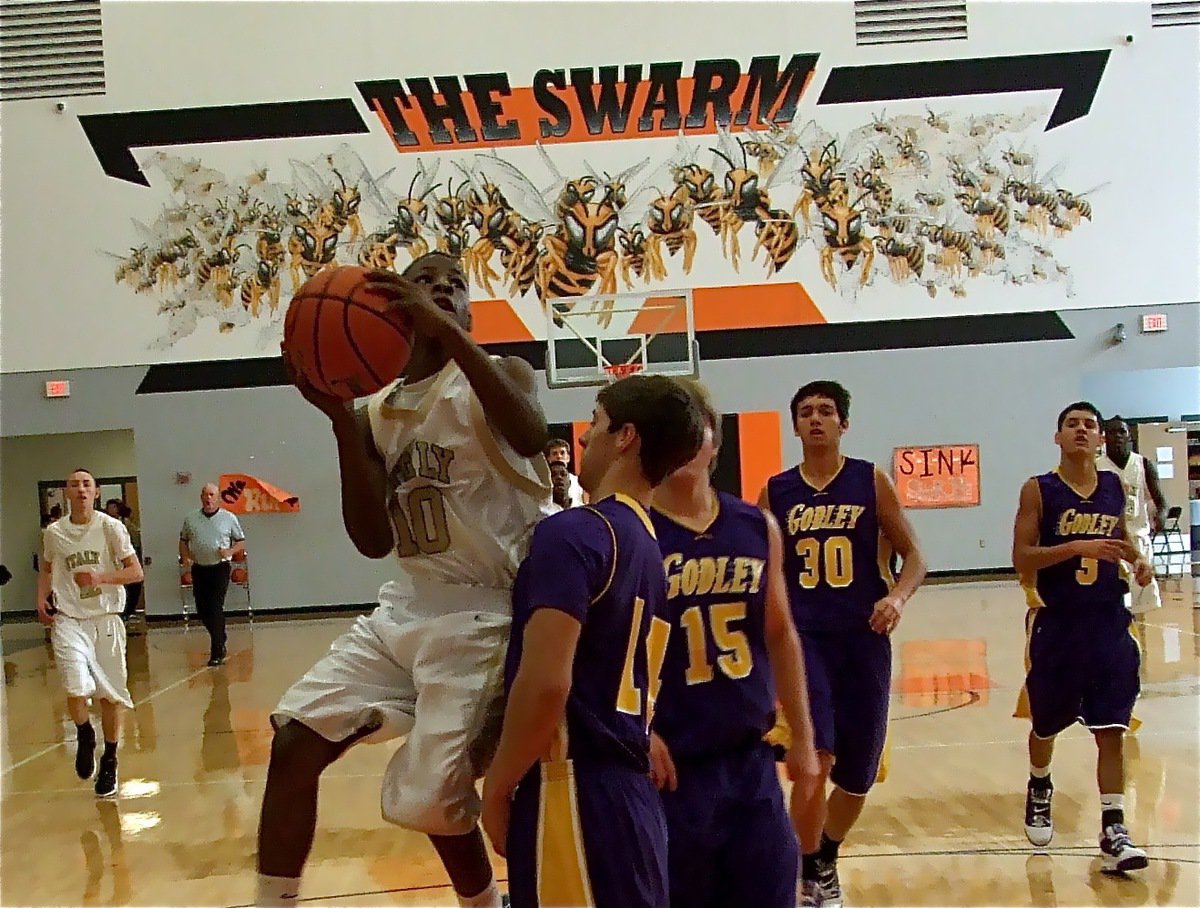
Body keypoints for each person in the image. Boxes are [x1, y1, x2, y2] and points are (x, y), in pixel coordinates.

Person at [256, 252, 553, 908]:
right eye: (427, 284)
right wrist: (339, 419)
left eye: (456, 288)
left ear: (469, 313)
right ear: (391, 307)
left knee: (425, 800)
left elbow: (532, 435)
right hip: (406, 608)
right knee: (295, 739)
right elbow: (371, 541)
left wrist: (451, 339)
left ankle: (486, 903)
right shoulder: (377, 413)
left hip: (489, 614)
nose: (444, 292)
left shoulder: (500, 374)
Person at [481, 375, 704, 908]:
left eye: (596, 424)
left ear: (625, 436)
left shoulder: (574, 532)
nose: (583, 438)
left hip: (573, 790)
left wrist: (496, 786)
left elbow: (546, 683)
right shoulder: (649, 542)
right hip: (628, 796)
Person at [647, 379, 822, 908]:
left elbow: (780, 632)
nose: (681, 444)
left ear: (714, 442)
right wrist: (638, 728)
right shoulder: (632, 531)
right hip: (671, 769)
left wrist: (806, 739)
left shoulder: (755, 524)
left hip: (751, 762)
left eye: (691, 430)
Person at [760, 380, 927, 908]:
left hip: (865, 639)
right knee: (816, 758)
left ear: (843, 424)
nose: (815, 419)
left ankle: (823, 856)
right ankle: (798, 868)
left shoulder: (869, 480)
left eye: (826, 411)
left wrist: (897, 597)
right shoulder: (776, 491)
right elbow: (761, 571)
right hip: (805, 640)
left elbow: (916, 558)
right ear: (795, 426)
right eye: (805, 412)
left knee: (859, 773)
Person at [1012, 402, 1154, 874]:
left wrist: (1135, 558)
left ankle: (1114, 827)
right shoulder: (1039, 489)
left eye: (1088, 425)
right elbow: (1022, 558)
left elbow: (1114, 538)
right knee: (1046, 725)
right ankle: (1039, 783)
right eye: (1071, 424)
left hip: (1108, 619)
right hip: (1057, 623)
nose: (1080, 431)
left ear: (1100, 441)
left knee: (1112, 726)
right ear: (1058, 438)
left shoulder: (1114, 486)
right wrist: (1077, 546)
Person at [36, 468, 144, 798]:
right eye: (74, 485)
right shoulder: (54, 533)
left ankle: (110, 759)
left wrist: (100, 578)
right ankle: (85, 733)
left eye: (87, 484)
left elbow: (135, 572)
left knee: (110, 696)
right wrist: (41, 597)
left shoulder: (111, 527)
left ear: (96, 492)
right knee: (74, 686)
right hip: (69, 619)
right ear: (66, 493)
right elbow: (48, 567)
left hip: (105, 618)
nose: (81, 489)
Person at [1097, 416, 1166, 613]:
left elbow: (1162, 501)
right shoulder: (1096, 466)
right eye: (1112, 432)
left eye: (1122, 432)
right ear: (1104, 438)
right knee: (1115, 604)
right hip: (1110, 542)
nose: (1118, 436)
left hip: (1139, 541)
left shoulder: (1144, 465)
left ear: (1129, 437)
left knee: (1141, 606)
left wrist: (1160, 515)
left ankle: (1138, 643)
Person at [180, 483, 246, 666]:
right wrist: (185, 556)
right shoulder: (190, 518)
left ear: (218, 498)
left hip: (220, 567)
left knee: (215, 606)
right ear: (201, 497)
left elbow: (241, 541)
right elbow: (183, 540)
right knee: (202, 609)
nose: (208, 498)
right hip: (199, 567)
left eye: (212, 495)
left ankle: (216, 650)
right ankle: (220, 635)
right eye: (205, 495)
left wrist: (230, 551)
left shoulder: (228, 518)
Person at [105, 499, 144, 621]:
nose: (110, 510)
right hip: (112, 560)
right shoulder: (103, 523)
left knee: (134, 585)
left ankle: (129, 610)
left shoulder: (125, 524)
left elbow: (135, 541)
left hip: (126, 557)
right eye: (109, 507)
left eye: (113, 507)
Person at [545, 437, 586, 506]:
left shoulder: (579, 481)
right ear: (548, 458)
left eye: (562, 453)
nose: (559, 456)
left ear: (568, 458)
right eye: (555, 453)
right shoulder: (544, 481)